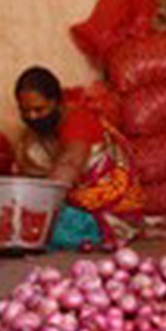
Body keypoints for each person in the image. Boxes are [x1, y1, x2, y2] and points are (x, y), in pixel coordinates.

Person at [14, 66, 145, 250]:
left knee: (33, 229)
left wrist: (34, 208)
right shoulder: (34, 136)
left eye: (39, 109)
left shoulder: (78, 121)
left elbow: (70, 163)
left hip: (107, 215)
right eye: (25, 111)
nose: (31, 117)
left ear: (57, 103)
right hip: (71, 204)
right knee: (16, 224)